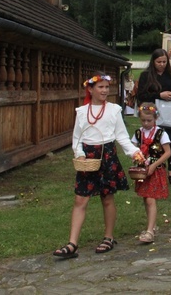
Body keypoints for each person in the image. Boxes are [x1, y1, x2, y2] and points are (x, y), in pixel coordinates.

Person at [52, 73, 144, 259]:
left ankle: (108, 237)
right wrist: (80, 156)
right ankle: (72, 243)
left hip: (107, 155)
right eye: (100, 87)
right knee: (80, 199)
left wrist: (133, 151)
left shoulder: (114, 110)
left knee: (107, 198)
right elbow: (77, 139)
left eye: (106, 87)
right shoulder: (82, 112)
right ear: (90, 89)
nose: (104, 90)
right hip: (88, 158)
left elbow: (121, 136)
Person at [137, 49, 171, 184]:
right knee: (153, 142)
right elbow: (141, 95)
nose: (161, 64)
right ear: (153, 62)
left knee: (170, 142)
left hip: (170, 113)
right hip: (152, 113)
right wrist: (159, 95)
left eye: (164, 61)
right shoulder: (146, 75)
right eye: (158, 62)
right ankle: (151, 167)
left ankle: (170, 171)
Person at [131, 103, 171, 244]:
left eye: (149, 120)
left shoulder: (161, 133)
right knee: (145, 198)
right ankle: (152, 225)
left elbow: (168, 152)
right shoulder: (138, 133)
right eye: (143, 121)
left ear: (156, 119)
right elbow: (134, 149)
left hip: (155, 170)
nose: (146, 123)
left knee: (150, 198)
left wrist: (154, 164)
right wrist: (137, 158)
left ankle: (149, 231)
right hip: (143, 170)